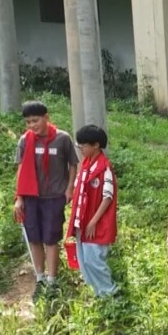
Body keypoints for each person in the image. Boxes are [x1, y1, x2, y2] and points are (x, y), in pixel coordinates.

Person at [14, 100, 79, 298]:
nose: (32, 125)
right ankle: (40, 277)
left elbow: (73, 164)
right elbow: (20, 169)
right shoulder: (25, 140)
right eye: (28, 122)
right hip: (31, 197)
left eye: (35, 120)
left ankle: (52, 279)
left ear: (46, 118)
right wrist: (19, 197)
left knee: (51, 238)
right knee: (34, 237)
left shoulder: (62, 138)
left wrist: (70, 188)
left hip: (54, 197)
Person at [66, 125, 118, 298]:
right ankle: (99, 293)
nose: (80, 149)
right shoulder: (86, 164)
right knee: (84, 261)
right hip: (82, 221)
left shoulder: (105, 168)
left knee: (94, 260)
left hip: (96, 224)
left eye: (83, 145)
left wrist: (93, 221)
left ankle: (110, 293)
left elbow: (107, 197)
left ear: (96, 145)